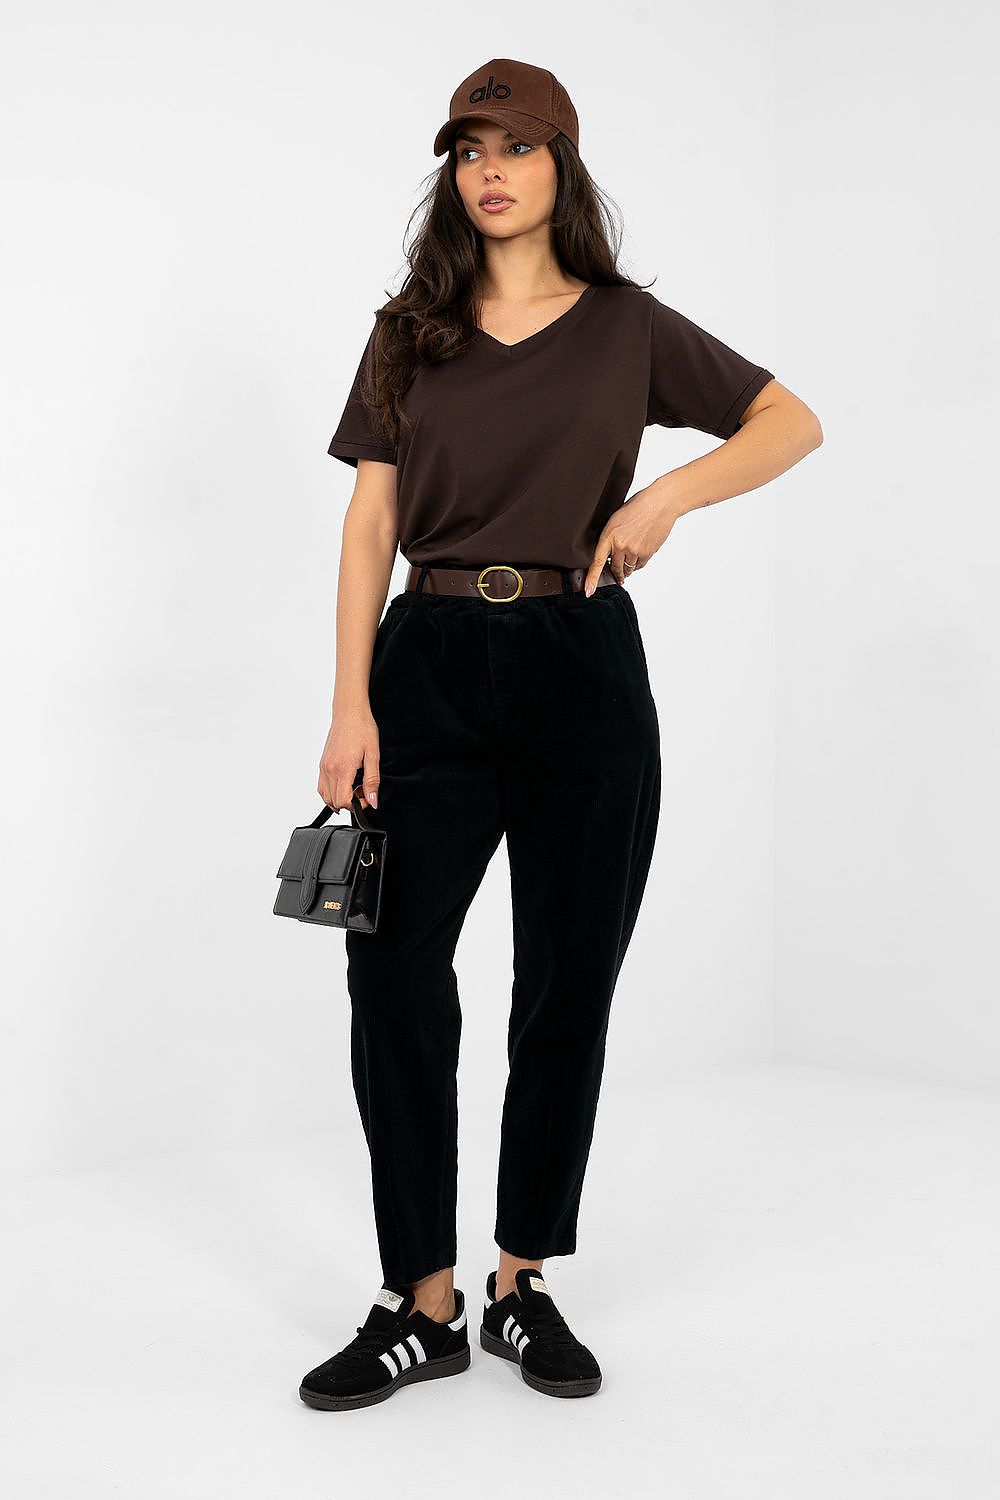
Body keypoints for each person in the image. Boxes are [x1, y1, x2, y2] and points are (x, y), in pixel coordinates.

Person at [298, 56, 822, 1412]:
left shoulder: (628, 330)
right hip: (426, 667)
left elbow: (791, 420)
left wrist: (667, 502)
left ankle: (522, 1279)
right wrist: (351, 701)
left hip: (580, 660)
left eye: (517, 148)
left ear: (560, 169)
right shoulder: (412, 329)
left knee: (565, 982)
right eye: (469, 149)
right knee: (393, 975)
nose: (490, 171)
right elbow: (368, 521)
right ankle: (420, 1300)